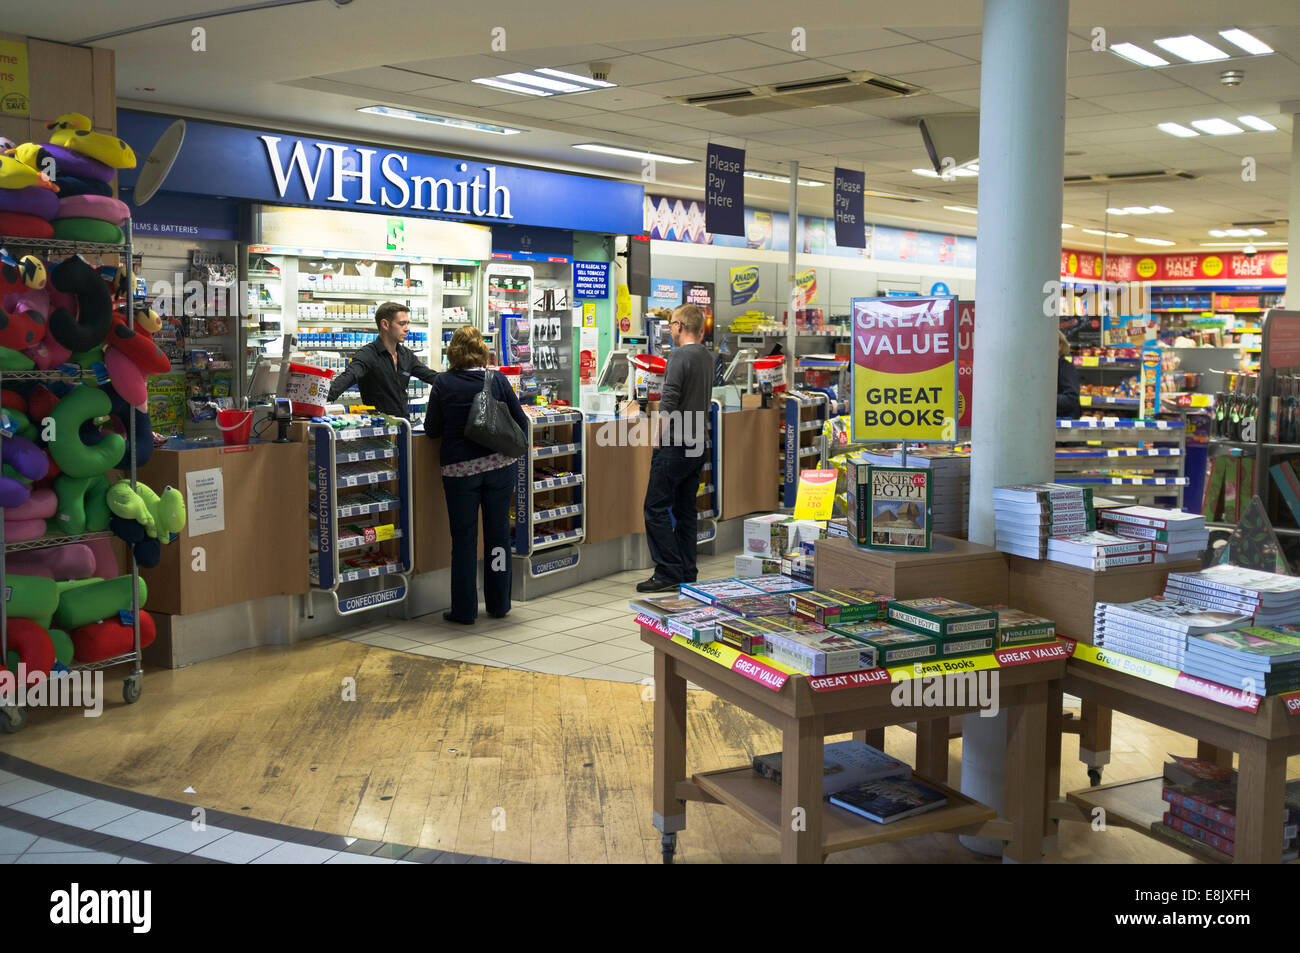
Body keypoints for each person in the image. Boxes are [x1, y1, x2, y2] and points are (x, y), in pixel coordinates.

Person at [424, 326, 529, 624]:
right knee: (497, 538)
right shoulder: (495, 379)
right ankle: (499, 604)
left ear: (453, 351)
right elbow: (520, 420)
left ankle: (465, 610)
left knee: (464, 541)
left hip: (460, 472)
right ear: (482, 350)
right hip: (499, 467)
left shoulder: (443, 383)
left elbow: (432, 430)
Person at [638, 304, 714, 593]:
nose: (669, 329)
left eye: (671, 324)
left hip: (676, 444)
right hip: (697, 444)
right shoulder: (706, 356)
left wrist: (658, 436)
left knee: (654, 508)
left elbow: (668, 401)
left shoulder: (680, 355)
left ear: (681, 326)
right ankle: (686, 570)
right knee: (685, 510)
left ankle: (668, 571)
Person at [325, 301, 438, 418]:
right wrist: (320, 400)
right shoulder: (367, 354)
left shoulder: (406, 355)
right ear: (385, 324)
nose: (407, 329)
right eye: (402, 324)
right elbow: (348, 377)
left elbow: (432, 377)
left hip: (404, 425)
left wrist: (456, 379)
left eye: (407, 323)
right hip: (379, 428)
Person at [1057, 331, 1081, 418]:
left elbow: (1071, 399)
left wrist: (1045, 399)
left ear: (1060, 346)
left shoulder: (1066, 368)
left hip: (1064, 422)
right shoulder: (1046, 367)